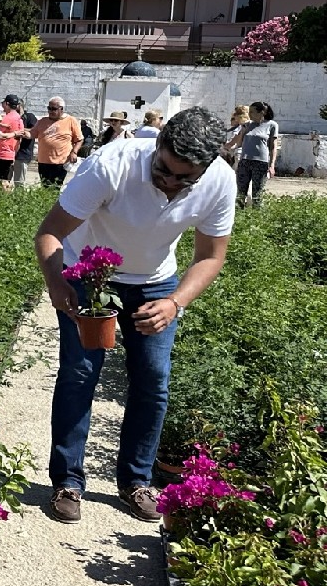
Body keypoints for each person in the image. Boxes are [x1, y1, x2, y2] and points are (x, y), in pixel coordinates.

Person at [35, 108, 236, 525]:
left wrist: (175, 302)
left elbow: (211, 256)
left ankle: (136, 481)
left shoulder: (219, 180)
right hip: (89, 275)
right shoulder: (112, 164)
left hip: (156, 283)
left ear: (205, 168)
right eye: (164, 170)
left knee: (153, 380)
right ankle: (67, 482)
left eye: (185, 178)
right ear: (158, 145)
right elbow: (49, 232)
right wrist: (59, 284)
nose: (171, 183)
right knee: (79, 373)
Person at [226, 101, 278, 207]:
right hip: (245, 161)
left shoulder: (272, 125)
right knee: (240, 193)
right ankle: (239, 217)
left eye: (252, 112)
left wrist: (272, 165)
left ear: (262, 112)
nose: (249, 115)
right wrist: (243, 131)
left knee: (257, 194)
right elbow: (239, 143)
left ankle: (256, 218)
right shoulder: (247, 125)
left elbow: (273, 147)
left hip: (260, 162)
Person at [33, 97, 82, 188]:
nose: (51, 111)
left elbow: (79, 139)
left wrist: (74, 152)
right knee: (45, 187)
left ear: (61, 109)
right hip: (43, 161)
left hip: (60, 162)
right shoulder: (42, 121)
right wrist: (18, 133)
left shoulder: (70, 121)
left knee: (55, 187)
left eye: (54, 109)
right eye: (49, 108)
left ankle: (54, 202)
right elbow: (32, 133)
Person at [0, 94, 29, 191]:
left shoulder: (7, 118)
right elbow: (19, 138)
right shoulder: (19, 118)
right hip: (11, 152)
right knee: (5, 179)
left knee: (1, 181)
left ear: (7, 104)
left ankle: (3, 200)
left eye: (3, 103)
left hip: (2, 153)